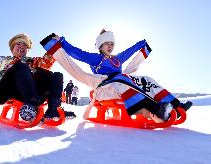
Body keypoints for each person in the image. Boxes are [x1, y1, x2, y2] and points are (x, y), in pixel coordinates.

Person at [40, 31, 192, 122]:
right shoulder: (95, 58)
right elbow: (76, 53)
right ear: (100, 46)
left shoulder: (117, 59)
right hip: (105, 87)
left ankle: (176, 106)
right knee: (122, 79)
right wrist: (62, 41)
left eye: (112, 43)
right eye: (106, 43)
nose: (110, 46)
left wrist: (141, 44)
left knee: (146, 80)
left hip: (122, 82)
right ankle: (155, 111)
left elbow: (130, 51)